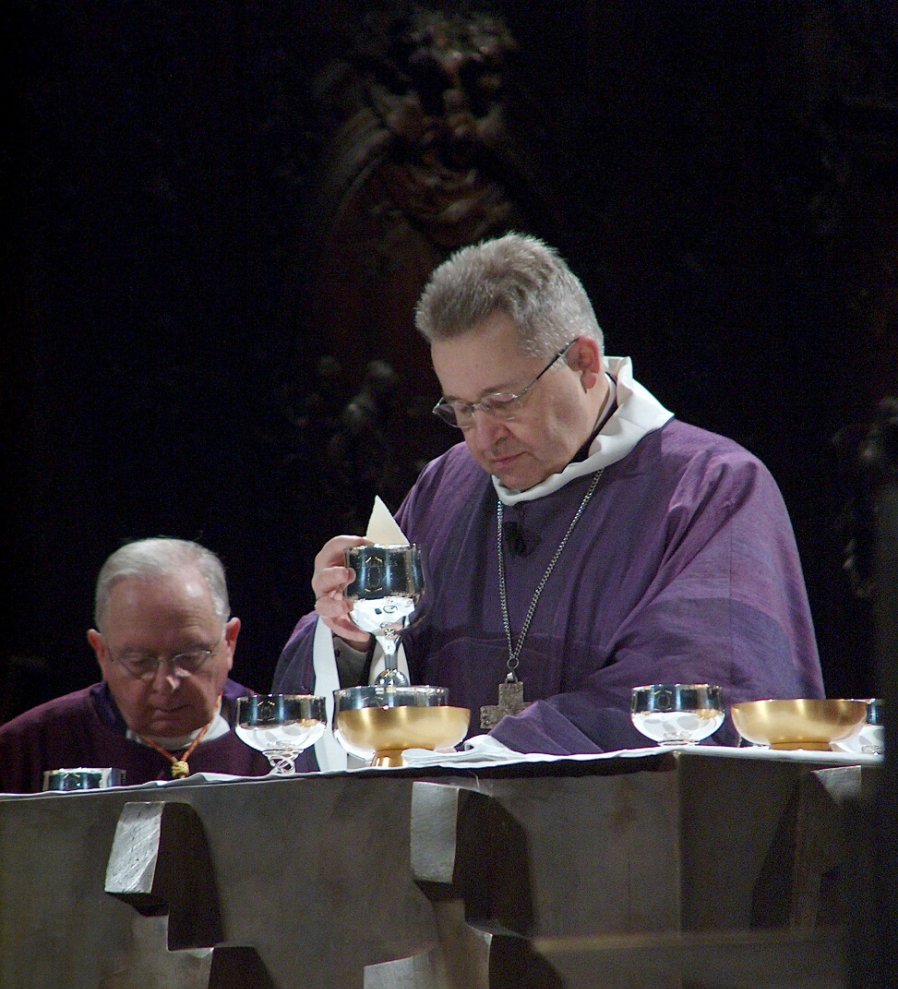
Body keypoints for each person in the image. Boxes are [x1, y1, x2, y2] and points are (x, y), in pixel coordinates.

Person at [274, 232, 824, 766]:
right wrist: (350, 639)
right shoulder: (448, 486)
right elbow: (328, 707)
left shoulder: (709, 487)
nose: (483, 437)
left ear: (585, 362)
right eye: (462, 409)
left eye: (503, 401)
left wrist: (497, 754)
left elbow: (702, 692)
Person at [0, 537, 270, 792]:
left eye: (189, 656)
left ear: (229, 642)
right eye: (140, 661)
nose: (166, 684)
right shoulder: (26, 749)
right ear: (102, 652)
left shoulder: (279, 739)